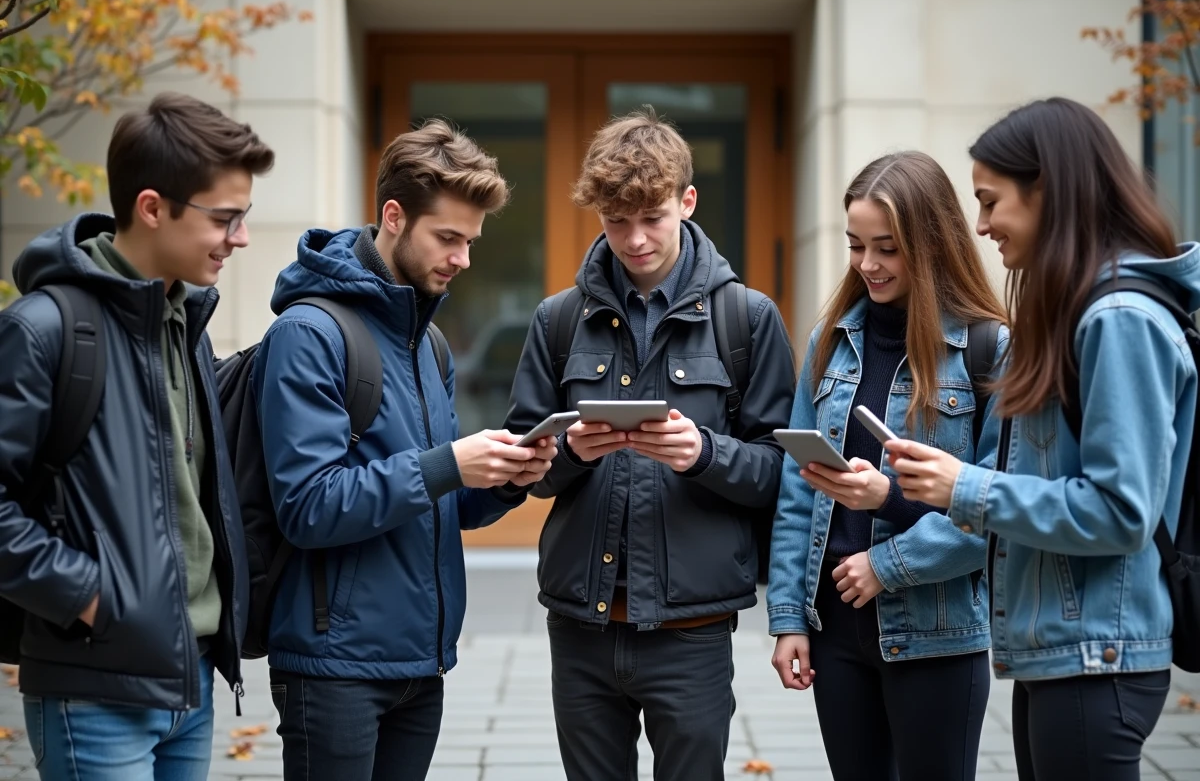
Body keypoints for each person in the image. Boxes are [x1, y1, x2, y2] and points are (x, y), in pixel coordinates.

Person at [887, 97, 1200, 780]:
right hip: (1063, 654)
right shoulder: (1078, 309)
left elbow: (1121, 512)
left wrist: (963, 486)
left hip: (1098, 658)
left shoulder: (1119, 319)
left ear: (1049, 191)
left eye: (991, 201)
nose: (982, 224)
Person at [252, 118, 557, 781]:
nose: (463, 258)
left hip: (420, 662)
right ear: (394, 216)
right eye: (448, 237)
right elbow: (309, 507)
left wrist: (506, 478)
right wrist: (451, 462)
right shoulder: (308, 334)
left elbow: (441, 502)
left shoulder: (429, 343)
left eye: (471, 241)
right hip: (334, 667)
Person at [501, 108, 796, 781]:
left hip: (691, 630)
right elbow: (525, 472)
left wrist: (704, 454)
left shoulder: (745, 320)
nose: (634, 239)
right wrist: (571, 450)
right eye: (615, 221)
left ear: (687, 202)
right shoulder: (555, 320)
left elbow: (784, 474)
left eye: (652, 218)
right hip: (579, 624)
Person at [0, 92, 273, 780]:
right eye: (224, 218)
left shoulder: (183, 323)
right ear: (153, 208)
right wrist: (92, 598)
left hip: (190, 679)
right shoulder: (44, 329)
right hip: (95, 689)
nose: (239, 238)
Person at [766, 150, 1006, 780]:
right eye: (855, 245)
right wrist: (790, 617)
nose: (867, 265)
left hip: (937, 631)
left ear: (930, 245)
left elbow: (999, 513)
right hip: (837, 629)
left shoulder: (985, 349)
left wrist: (886, 541)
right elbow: (798, 492)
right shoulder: (829, 341)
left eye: (887, 248)